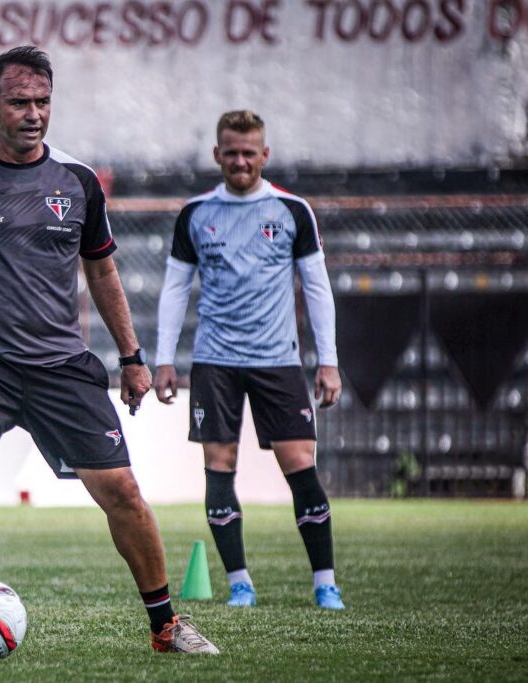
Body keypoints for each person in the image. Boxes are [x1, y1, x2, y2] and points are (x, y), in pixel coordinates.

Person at [0, 46, 218, 656]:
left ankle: (166, 626)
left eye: (42, 102)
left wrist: (132, 356)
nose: (33, 114)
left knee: (122, 491)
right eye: (19, 102)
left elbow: (104, 273)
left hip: (61, 367)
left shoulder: (78, 182)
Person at [153, 110, 345, 610]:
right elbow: (175, 289)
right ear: (217, 154)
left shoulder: (292, 210)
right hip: (215, 362)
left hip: (277, 360)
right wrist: (163, 358)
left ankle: (325, 584)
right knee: (219, 465)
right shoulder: (196, 213)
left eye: (249, 152)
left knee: (300, 463)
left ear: (265, 154)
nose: (240, 161)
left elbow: (317, 287)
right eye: (231, 152)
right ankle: (240, 583)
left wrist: (328, 361)